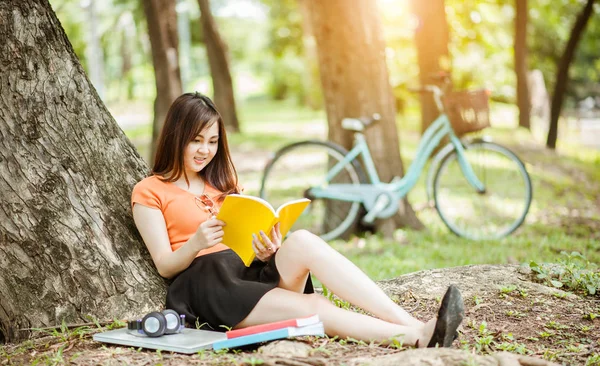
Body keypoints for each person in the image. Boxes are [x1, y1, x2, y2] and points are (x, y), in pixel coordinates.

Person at [131, 92, 464, 348]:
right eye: (196, 140)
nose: (206, 150)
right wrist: (196, 243)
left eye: (213, 141)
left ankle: (414, 323)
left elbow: (246, 241)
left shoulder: (222, 183)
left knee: (303, 242)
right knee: (313, 305)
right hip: (210, 287)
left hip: (244, 271)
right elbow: (164, 265)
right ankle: (417, 339)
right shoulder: (150, 191)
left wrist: (266, 250)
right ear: (177, 137)